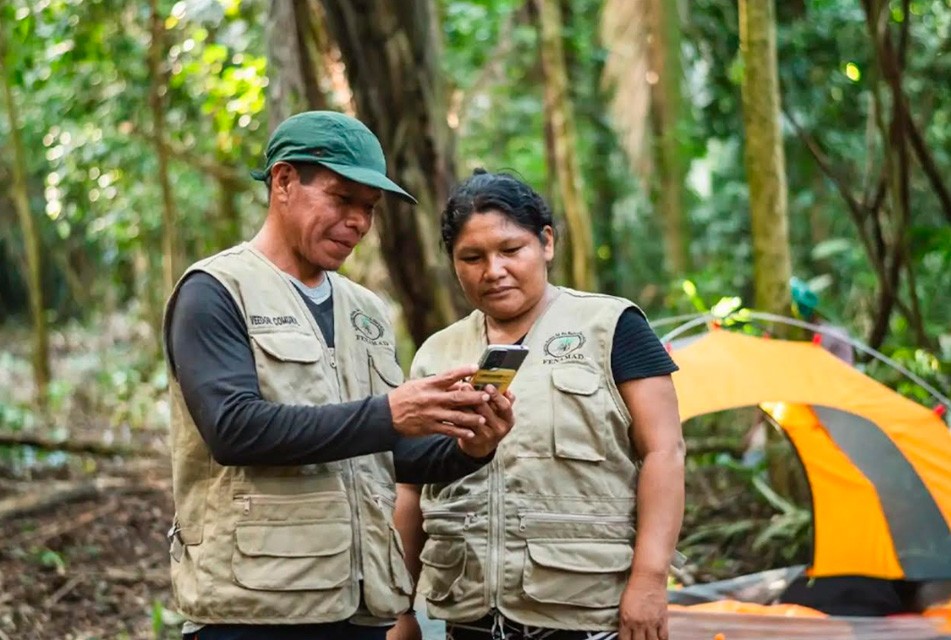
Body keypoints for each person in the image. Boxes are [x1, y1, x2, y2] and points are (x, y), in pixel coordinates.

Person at [163, 112, 516, 640]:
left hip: (358, 607)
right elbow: (232, 429)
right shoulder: (215, 291)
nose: (358, 222)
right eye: (341, 199)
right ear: (283, 181)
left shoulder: (367, 310)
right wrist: (390, 413)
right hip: (254, 610)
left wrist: (470, 445)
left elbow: (387, 453)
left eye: (369, 208)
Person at [390, 170, 685, 640]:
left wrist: (649, 581)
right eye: (472, 257)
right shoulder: (436, 354)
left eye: (511, 250)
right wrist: (399, 606)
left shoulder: (612, 327)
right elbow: (410, 485)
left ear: (546, 243)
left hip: (586, 616)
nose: (494, 270)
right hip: (470, 620)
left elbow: (664, 453)